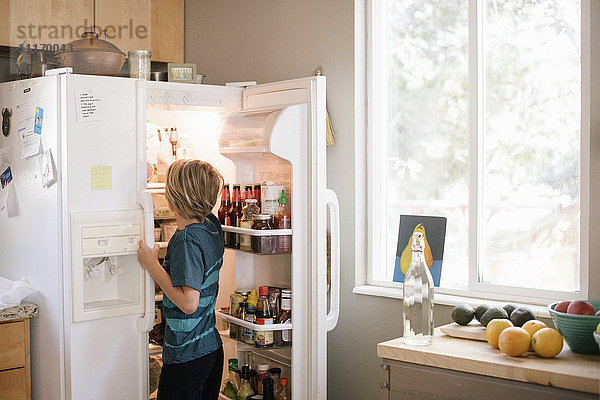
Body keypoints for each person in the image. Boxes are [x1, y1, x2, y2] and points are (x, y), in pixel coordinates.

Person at [138, 159, 225, 400]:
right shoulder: (212, 227)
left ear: (173, 197)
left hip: (187, 354)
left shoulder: (185, 241)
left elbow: (189, 303)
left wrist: (152, 264)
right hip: (210, 348)